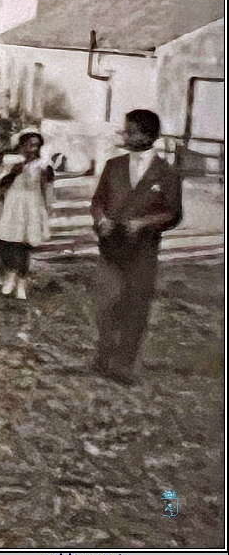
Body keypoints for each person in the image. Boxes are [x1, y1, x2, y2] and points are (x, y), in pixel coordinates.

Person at [89, 110, 183, 385]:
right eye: (126, 130)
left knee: (135, 306)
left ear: (149, 136)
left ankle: (124, 363)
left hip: (142, 250)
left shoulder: (166, 173)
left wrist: (145, 223)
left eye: (132, 131)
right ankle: (103, 356)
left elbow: (173, 213)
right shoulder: (114, 165)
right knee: (106, 302)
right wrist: (101, 219)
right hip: (110, 247)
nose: (127, 136)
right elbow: (98, 201)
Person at [0, 129, 54, 300]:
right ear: (21, 144)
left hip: (31, 205)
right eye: (29, 145)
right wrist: (13, 172)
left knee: (25, 245)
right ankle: (10, 275)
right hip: (13, 204)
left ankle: (22, 281)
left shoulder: (41, 164)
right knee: (10, 242)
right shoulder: (11, 161)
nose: (32, 149)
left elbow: (47, 188)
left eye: (36, 146)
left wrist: (46, 210)